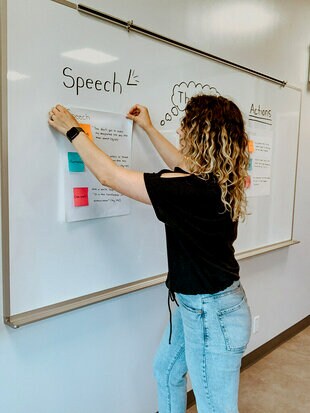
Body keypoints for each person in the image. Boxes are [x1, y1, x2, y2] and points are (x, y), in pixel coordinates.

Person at [48, 94, 252, 413]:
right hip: (203, 305)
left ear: (200, 136)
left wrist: (74, 131)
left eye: (186, 126)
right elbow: (181, 164)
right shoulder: (219, 178)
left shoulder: (188, 191)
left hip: (211, 313)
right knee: (166, 371)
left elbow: (110, 176)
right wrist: (148, 128)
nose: (181, 132)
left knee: (216, 407)